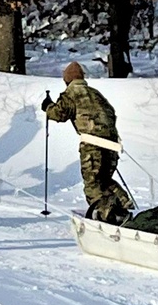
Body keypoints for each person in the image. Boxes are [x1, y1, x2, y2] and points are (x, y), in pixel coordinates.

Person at [42, 61, 134, 225]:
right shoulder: (96, 94)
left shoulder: (71, 93)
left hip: (92, 144)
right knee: (104, 179)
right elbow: (111, 113)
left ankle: (106, 215)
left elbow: (59, 114)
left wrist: (48, 106)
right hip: (112, 144)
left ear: (67, 80)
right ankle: (122, 205)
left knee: (92, 184)